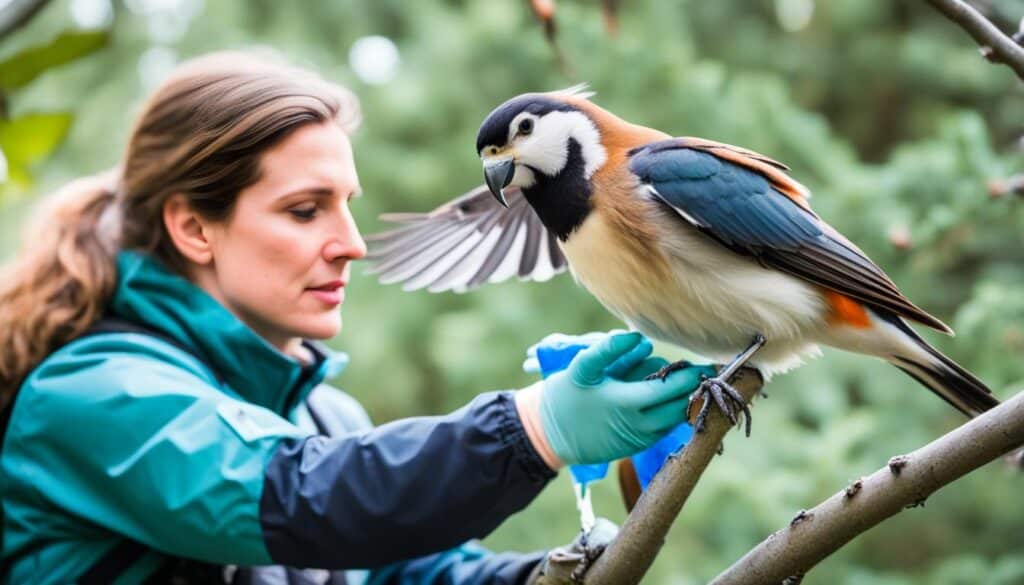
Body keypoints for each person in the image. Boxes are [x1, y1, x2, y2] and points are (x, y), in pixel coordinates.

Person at [0, 52, 710, 584]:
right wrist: (537, 425)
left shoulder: (325, 418)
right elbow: (307, 501)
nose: (352, 243)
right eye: (305, 210)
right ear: (193, 227)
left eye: (346, 204)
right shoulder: (94, 397)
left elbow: (412, 573)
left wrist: (556, 574)